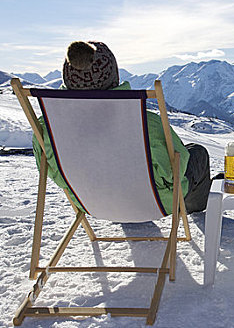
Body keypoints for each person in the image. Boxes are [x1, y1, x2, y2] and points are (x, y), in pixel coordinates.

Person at [33, 41, 212, 215]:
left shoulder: (47, 128)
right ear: (113, 76)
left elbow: (50, 172)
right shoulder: (144, 124)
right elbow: (174, 172)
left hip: (91, 203)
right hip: (155, 203)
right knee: (197, 152)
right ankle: (194, 205)